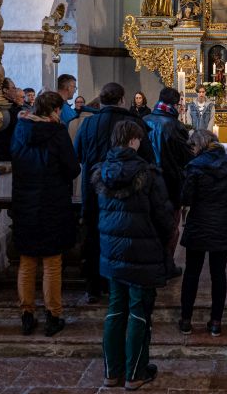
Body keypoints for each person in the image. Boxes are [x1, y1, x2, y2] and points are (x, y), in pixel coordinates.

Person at [94, 120, 174, 389]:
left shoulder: (102, 171)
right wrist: (164, 242)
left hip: (112, 250)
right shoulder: (147, 173)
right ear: (132, 141)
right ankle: (135, 373)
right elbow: (164, 216)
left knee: (116, 308)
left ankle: (111, 372)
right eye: (138, 139)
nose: (140, 143)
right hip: (142, 251)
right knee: (139, 311)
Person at [75, 82, 155, 302]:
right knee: (124, 236)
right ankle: (121, 286)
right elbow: (149, 158)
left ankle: (93, 286)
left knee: (93, 235)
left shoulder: (88, 124)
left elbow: (78, 155)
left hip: (94, 191)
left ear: (101, 100)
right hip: (128, 195)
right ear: (122, 99)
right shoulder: (134, 123)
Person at [10, 91, 80, 336]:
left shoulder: (20, 129)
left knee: (27, 261)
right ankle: (53, 314)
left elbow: (15, 160)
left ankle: (27, 314)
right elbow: (72, 168)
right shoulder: (57, 132)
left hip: (25, 202)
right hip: (52, 202)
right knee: (51, 262)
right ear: (55, 111)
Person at [178, 129, 227, 337]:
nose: (192, 150)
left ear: (200, 145)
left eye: (193, 146)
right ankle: (216, 322)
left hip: (199, 222)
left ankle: (186, 320)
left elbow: (186, 198)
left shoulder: (195, 166)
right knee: (219, 274)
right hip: (222, 223)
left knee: (192, 273)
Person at [144, 87, 193, 277]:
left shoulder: (145, 120)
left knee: (150, 225)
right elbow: (186, 157)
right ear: (175, 104)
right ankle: (166, 266)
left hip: (147, 181)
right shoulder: (175, 126)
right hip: (170, 183)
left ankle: (151, 264)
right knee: (170, 228)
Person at [0, 79, 24, 162]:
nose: (15, 90)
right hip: (6, 150)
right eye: (13, 88)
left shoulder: (13, 106)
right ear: (5, 90)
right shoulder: (5, 107)